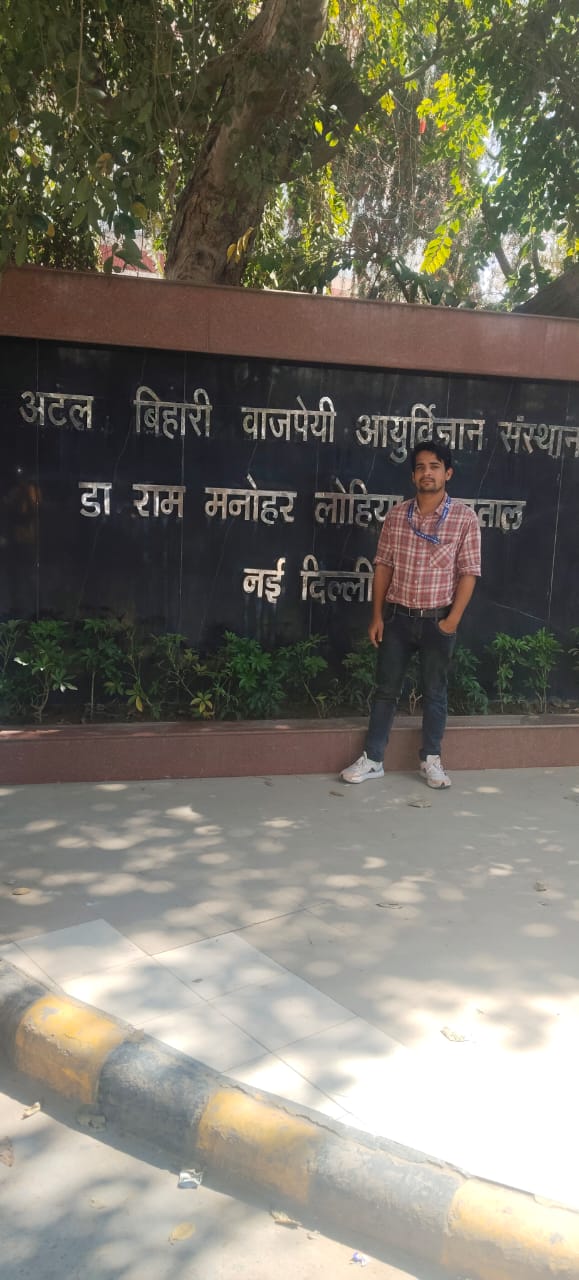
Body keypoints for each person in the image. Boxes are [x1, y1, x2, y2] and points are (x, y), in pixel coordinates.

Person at [341, 438, 481, 789]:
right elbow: (383, 567)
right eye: (420, 468)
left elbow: (469, 573)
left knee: (435, 692)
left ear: (448, 473)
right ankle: (373, 759)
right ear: (413, 476)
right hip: (398, 619)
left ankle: (431, 760)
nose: (427, 473)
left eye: (434, 467)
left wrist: (451, 622)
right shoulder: (396, 516)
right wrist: (377, 616)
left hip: (438, 620)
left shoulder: (464, 518)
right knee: (385, 691)